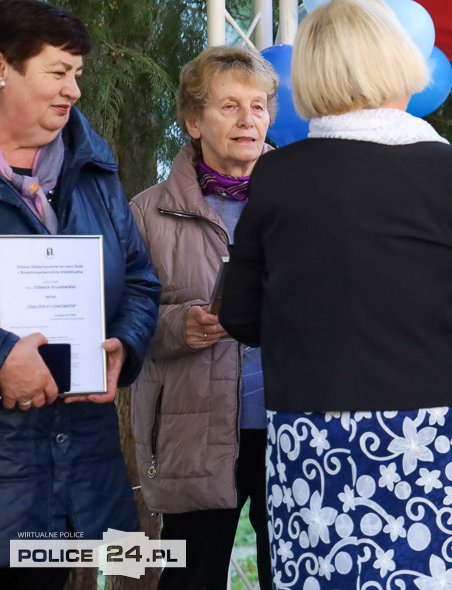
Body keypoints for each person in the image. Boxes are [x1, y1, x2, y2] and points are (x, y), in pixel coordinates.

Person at [218, 0, 452, 590]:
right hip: (432, 442)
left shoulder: (278, 176)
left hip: (312, 441)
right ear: (397, 62)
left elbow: (240, 316)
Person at [0, 0, 160, 589]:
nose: (74, 90)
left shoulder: (95, 166)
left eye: (78, 74)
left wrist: (125, 343)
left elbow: (140, 281)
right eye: (57, 72)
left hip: (81, 469)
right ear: (3, 67)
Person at [129, 46, 278, 590]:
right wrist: (176, 326)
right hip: (193, 427)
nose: (248, 120)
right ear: (193, 121)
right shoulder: (147, 212)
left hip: (290, 426)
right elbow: (119, 317)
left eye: (259, 106)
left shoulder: (300, 203)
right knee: (191, 579)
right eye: (230, 106)